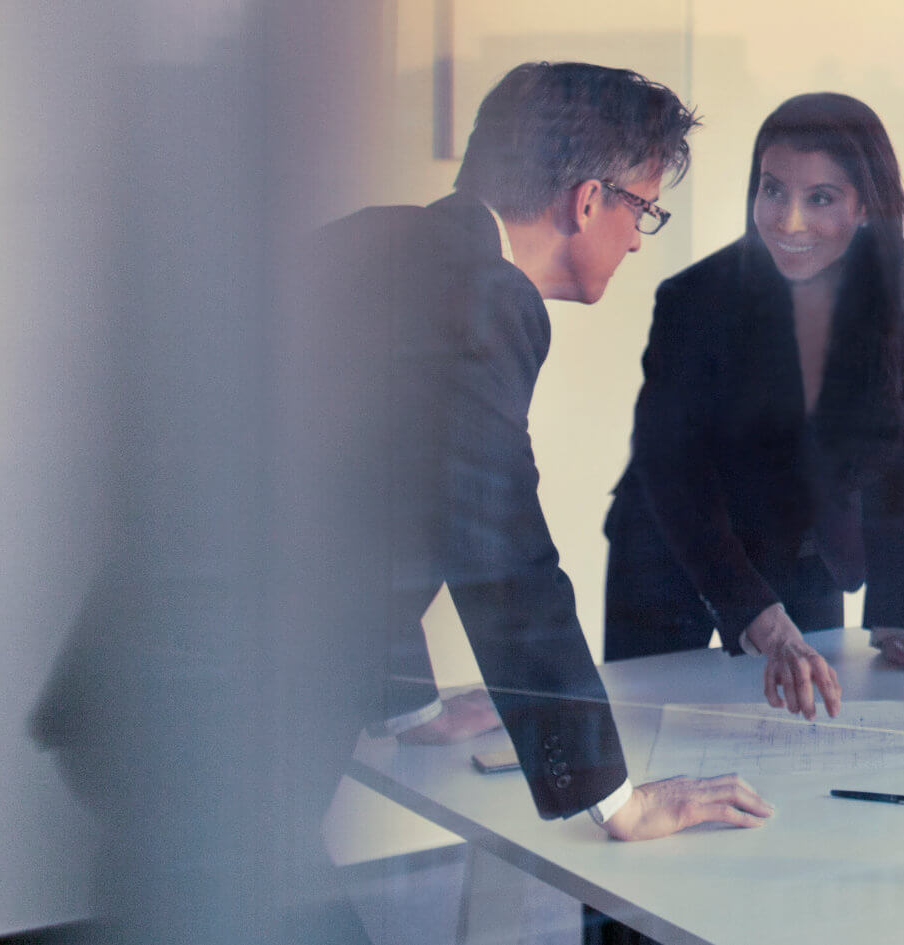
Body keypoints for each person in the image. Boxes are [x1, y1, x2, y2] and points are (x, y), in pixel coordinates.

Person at [314, 61, 774, 840]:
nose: (636, 240)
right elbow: (504, 554)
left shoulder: (385, 239)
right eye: (644, 211)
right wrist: (615, 796)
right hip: (222, 717)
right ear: (587, 199)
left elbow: (363, 505)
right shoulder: (485, 300)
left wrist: (411, 705)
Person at [605, 93, 904, 719]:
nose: (788, 221)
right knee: (660, 741)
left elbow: (893, 444)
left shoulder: (894, 270)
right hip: (672, 552)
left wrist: (894, 616)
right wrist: (761, 621)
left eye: (821, 198)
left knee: (805, 736)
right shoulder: (695, 301)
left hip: (804, 545)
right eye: (773, 191)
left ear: (863, 206)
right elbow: (676, 478)